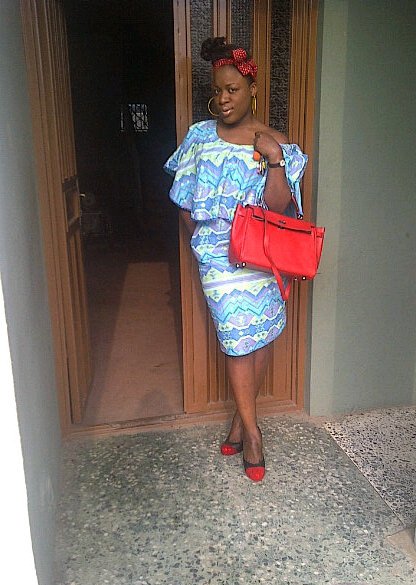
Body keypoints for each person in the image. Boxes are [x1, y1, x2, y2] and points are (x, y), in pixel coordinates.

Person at [164, 37, 308, 482]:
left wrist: (275, 160)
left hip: (263, 256)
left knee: (258, 338)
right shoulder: (199, 137)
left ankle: (237, 424)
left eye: (233, 90)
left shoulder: (276, 142)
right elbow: (183, 197)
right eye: (218, 91)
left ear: (252, 91)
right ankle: (254, 434)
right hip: (219, 257)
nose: (223, 99)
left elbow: (281, 206)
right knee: (236, 339)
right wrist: (203, 241)